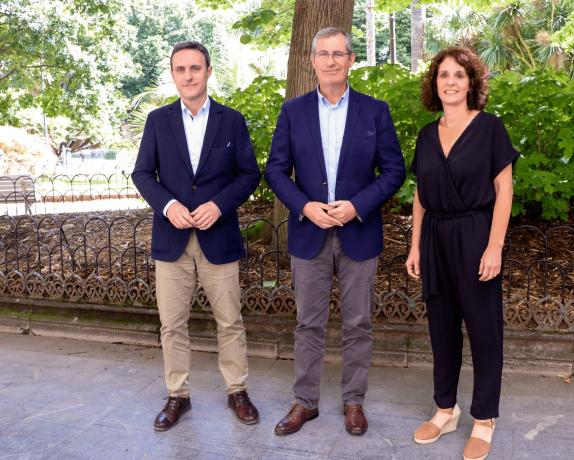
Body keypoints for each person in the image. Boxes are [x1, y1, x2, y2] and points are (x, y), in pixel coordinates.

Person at [264, 27, 406, 436]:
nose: (330, 60)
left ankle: (354, 401)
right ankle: (305, 403)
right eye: (322, 53)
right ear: (312, 60)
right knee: (308, 323)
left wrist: (357, 205)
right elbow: (275, 169)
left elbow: (394, 170)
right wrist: (305, 206)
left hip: (358, 232)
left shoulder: (374, 110)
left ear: (350, 59)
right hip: (309, 231)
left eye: (338, 53)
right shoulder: (293, 111)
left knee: (358, 323)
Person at [131, 41, 261, 431]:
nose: (188, 75)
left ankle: (237, 390)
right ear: (173, 74)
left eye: (195, 68)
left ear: (207, 71)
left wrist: (218, 205)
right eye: (180, 69)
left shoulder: (231, 120)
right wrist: (168, 206)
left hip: (217, 237)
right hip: (171, 239)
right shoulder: (157, 120)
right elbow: (142, 174)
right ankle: (177, 396)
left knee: (230, 321)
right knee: (172, 323)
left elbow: (249, 174)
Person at [405, 47, 518, 460]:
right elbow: (419, 195)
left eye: (458, 75)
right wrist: (415, 244)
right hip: (435, 235)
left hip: (476, 233)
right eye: (443, 75)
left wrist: (495, 245)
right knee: (442, 328)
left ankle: (484, 419)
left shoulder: (490, 129)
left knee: (484, 330)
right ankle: (445, 410)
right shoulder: (425, 134)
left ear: (471, 82)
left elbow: (504, 190)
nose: (450, 82)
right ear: (434, 84)